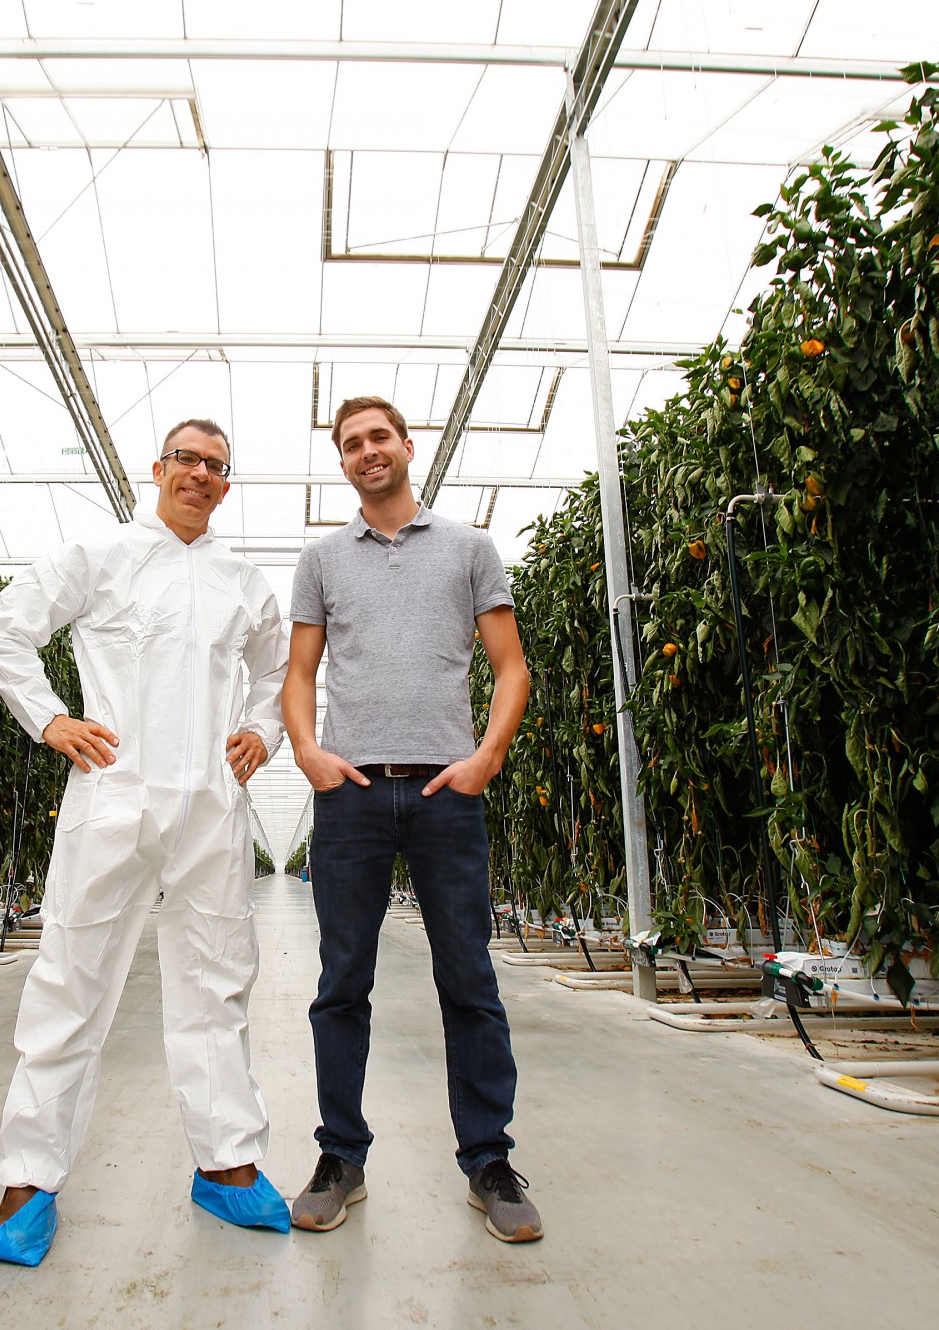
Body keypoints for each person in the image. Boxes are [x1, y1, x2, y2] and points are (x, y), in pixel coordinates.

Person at [0, 420, 292, 1266]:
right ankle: (27, 1181)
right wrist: (49, 719)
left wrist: (262, 731)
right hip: (113, 794)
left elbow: (276, 674)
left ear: (226, 486)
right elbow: (5, 628)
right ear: (156, 470)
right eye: (187, 459)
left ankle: (226, 1166)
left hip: (212, 808)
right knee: (70, 979)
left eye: (217, 466)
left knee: (215, 981)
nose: (200, 474)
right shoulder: (100, 555)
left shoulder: (243, 581)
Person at [283, 396, 541, 1243]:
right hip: (351, 796)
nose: (367, 452)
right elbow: (299, 672)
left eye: (379, 438)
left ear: (406, 445)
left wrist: (486, 757)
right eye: (351, 444)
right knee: (341, 983)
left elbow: (510, 667)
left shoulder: (469, 549)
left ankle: (489, 1160)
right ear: (343, 460)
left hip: (445, 793)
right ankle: (340, 1156)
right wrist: (309, 753)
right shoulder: (322, 559)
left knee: (468, 977)